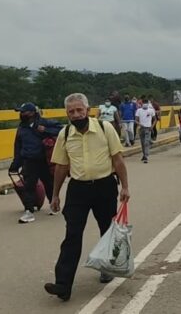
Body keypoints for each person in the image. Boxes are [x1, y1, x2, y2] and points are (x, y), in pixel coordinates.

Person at [44, 93, 130, 301]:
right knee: (72, 235)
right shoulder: (65, 134)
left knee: (106, 231)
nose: (76, 114)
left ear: (88, 110)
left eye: (79, 110)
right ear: (67, 114)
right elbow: (61, 167)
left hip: (104, 186)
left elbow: (117, 160)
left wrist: (125, 187)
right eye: (71, 111)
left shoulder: (104, 128)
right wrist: (55, 195)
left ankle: (107, 267)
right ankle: (63, 285)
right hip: (78, 190)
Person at [9, 102, 63, 223]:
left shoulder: (44, 123)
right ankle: (29, 211)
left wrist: (46, 130)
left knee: (49, 184)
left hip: (44, 160)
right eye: (21, 112)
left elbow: (62, 130)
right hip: (29, 161)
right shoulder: (21, 128)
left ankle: (53, 204)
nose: (22, 114)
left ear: (32, 113)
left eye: (24, 112)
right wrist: (15, 163)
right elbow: (18, 146)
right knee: (29, 186)